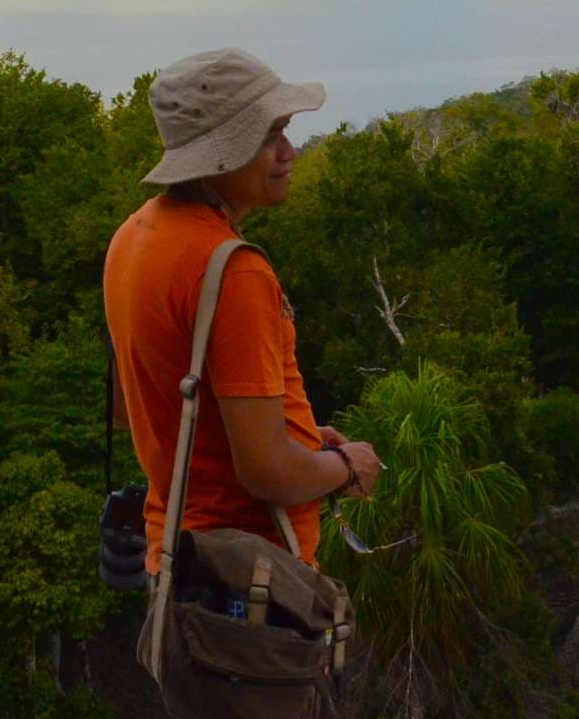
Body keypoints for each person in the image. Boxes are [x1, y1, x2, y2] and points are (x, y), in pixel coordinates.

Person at [103, 46, 383, 579]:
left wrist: (299, 439)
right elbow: (265, 472)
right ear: (221, 154)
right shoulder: (234, 271)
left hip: (174, 559)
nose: (289, 151)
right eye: (269, 136)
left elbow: (132, 408)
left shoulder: (134, 236)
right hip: (250, 574)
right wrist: (347, 468)